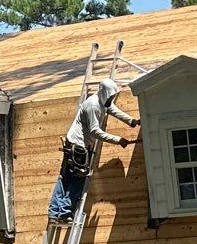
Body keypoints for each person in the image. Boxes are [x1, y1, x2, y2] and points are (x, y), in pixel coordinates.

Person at [49, 78, 139, 223]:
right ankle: (64, 213)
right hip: (78, 146)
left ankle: (54, 212)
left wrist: (131, 121)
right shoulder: (92, 105)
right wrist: (118, 140)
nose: (112, 98)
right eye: (110, 96)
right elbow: (94, 131)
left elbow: (112, 109)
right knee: (77, 178)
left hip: (75, 144)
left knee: (65, 177)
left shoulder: (102, 102)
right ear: (104, 93)